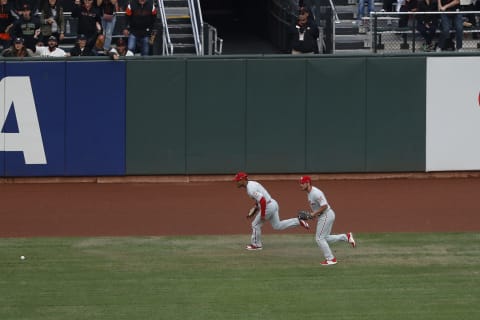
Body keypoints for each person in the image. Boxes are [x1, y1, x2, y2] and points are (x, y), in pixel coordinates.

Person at [234, 172, 310, 251]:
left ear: (242, 180)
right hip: (272, 203)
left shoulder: (250, 189)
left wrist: (263, 214)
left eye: (237, 181)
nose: (236, 182)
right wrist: (255, 207)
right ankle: (298, 221)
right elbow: (260, 199)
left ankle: (256, 245)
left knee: (255, 224)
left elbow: (262, 200)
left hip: (268, 206)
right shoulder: (252, 184)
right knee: (277, 225)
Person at [299, 176, 356, 266]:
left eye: (302, 183)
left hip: (326, 215)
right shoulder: (309, 193)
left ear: (308, 183)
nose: (300, 185)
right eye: (300, 183)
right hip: (324, 215)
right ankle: (346, 237)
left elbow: (324, 205)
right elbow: (317, 207)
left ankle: (331, 259)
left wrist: (314, 214)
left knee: (319, 238)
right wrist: (313, 215)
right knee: (324, 238)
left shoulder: (316, 193)